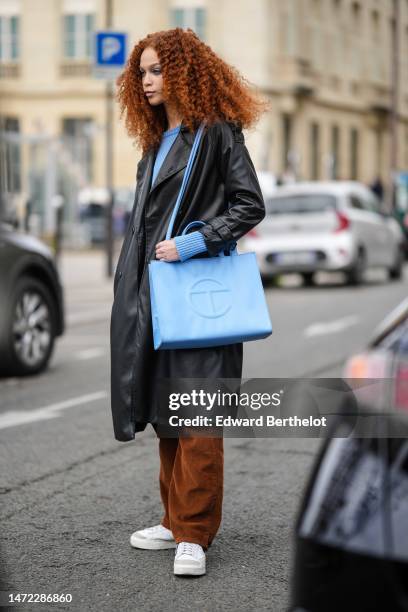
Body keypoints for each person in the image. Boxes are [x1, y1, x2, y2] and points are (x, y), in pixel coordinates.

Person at [110, 27, 268, 577]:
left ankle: (195, 535)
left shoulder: (217, 132)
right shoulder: (156, 142)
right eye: (142, 72)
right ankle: (177, 520)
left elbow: (249, 204)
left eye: (156, 70)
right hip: (153, 293)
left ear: (183, 71)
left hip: (199, 293)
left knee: (198, 410)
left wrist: (194, 241)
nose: (146, 81)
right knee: (164, 408)